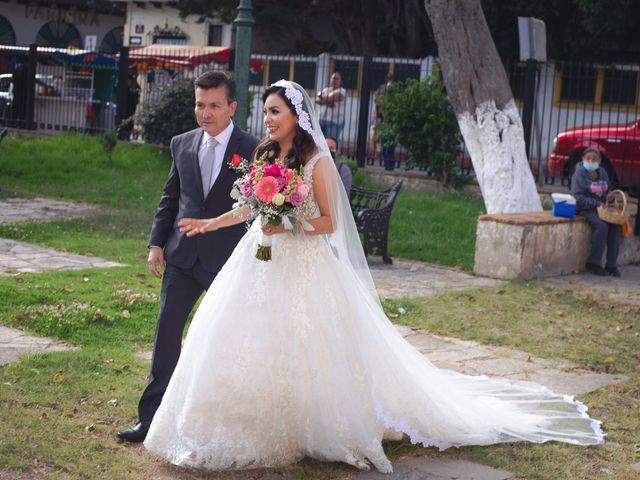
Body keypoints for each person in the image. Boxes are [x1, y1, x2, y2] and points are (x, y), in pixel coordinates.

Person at [143, 80, 603, 474]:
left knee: (307, 343)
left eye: (275, 112)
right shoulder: (264, 155)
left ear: (296, 117)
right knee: (235, 337)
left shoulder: (315, 162)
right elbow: (250, 206)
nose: (268, 120)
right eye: (265, 112)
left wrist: (286, 223)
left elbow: (328, 222)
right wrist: (211, 223)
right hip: (258, 260)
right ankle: (235, 419)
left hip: (303, 263)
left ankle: (312, 422)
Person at [115, 71, 258, 443]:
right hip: (180, 258)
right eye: (200, 104)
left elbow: (256, 207)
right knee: (166, 336)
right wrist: (155, 243)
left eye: (214, 105)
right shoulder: (182, 143)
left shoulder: (253, 148)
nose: (205, 113)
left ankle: (220, 422)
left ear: (232, 107)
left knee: (223, 341)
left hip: (226, 262)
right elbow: (170, 198)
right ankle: (151, 421)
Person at [571, 147, 621, 277]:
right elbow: (578, 197)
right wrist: (597, 203)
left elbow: (607, 191)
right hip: (585, 209)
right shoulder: (579, 173)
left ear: (599, 160)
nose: (591, 160)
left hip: (602, 209)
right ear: (583, 159)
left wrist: (610, 197)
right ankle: (593, 263)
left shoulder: (603, 172)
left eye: (594, 158)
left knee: (615, 226)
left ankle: (611, 265)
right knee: (601, 226)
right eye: (588, 158)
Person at [373, 72, 397, 171]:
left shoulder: (396, 89)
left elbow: (397, 103)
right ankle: (387, 165)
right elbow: (377, 99)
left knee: (390, 147)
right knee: (383, 146)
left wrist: (388, 104)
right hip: (383, 120)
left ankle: (390, 166)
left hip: (393, 121)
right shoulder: (382, 88)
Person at [316, 71, 346, 146]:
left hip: (334, 122)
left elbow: (332, 98)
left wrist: (320, 95)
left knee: (331, 143)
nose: (334, 81)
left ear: (341, 82)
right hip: (321, 120)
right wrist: (329, 102)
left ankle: (332, 157)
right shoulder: (326, 89)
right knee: (318, 143)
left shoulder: (342, 91)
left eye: (336, 79)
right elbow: (317, 101)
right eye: (333, 78)